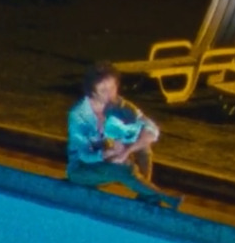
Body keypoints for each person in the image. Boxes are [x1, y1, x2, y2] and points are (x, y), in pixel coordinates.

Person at [66, 62, 182, 210]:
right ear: (92, 92)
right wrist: (107, 154)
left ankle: (146, 193)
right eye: (103, 90)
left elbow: (150, 129)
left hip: (111, 160)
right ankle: (162, 196)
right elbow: (83, 154)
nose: (110, 94)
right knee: (121, 170)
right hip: (82, 169)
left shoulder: (120, 106)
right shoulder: (79, 115)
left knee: (142, 144)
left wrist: (127, 150)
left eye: (112, 88)